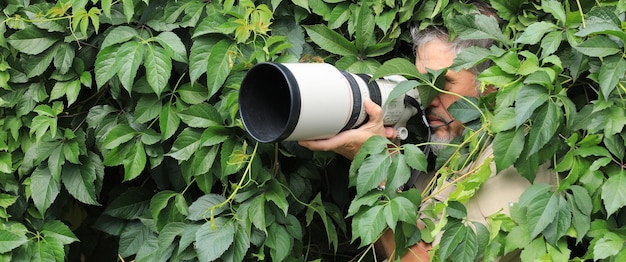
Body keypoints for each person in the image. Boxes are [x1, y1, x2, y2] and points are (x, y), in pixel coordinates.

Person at [298, 1, 556, 261]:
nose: (428, 97)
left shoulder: (513, 165)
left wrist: (375, 166)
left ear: (493, 84)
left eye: (445, 82)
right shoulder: (453, 147)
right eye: (422, 81)